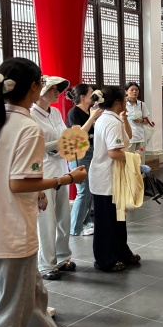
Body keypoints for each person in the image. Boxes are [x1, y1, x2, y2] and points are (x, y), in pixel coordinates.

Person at [0, 57, 86, 327]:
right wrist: (67, 178)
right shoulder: (27, 127)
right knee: (11, 307)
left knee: (32, 292)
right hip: (11, 229)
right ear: (34, 87)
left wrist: (38, 191)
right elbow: (18, 183)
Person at [90, 86, 141, 272]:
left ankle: (121, 251)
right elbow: (114, 153)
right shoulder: (110, 122)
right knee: (107, 222)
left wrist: (124, 118)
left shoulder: (111, 119)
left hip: (113, 176)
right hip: (106, 177)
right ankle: (105, 259)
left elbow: (128, 136)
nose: (127, 102)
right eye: (125, 100)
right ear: (118, 102)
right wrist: (135, 159)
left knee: (119, 219)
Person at [30, 76, 75, 280]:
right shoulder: (31, 115)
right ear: (41, 91)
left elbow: (65, 138)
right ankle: (46, 264)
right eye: (53, 89)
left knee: (64, 217)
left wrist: (63, 145)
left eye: (58, 89)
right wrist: (59, 144)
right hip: (43, 173)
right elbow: (34, 146)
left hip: (61, 169)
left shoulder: (55, 112)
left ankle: (63, 256)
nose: (57, 92)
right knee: (46, 220)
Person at [66, 83, 102, 236]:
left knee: (90, 190)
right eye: (91, 93)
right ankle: (75, 227)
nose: (94, 95)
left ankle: (86, 221)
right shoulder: (74, 112)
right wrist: (93, 117)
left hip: (91, 151)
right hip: (79, 153)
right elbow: (77, 135)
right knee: (83, 192)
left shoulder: (89, 111)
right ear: (82, 97)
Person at [124, 82, 152, 164]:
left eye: (136, 90)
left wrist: (141, 120)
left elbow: (147, 121)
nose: (134, 92)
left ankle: (140, 173)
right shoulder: (123, 104)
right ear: (126, 91)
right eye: (132, 90)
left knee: (140, 162)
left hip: (140, 137)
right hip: (128, 138)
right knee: (129, 162)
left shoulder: (141, 104)